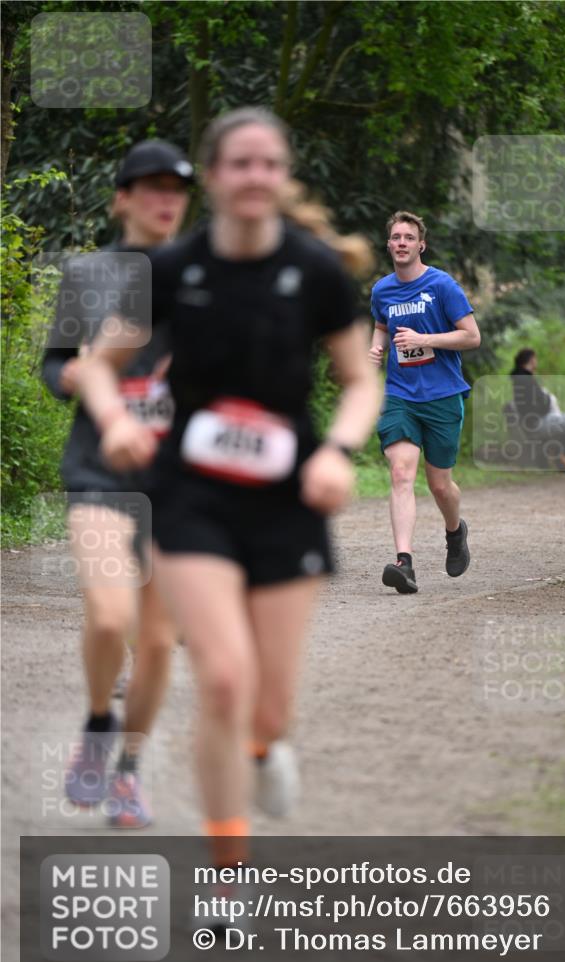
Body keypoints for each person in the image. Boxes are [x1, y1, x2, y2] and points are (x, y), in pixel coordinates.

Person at [75, 107, 381, 883]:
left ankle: (263, 743)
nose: (254, 176)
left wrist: (339, 451)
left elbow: (358, 381)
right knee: (220, 678)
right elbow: (96, 366)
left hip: (287, 500)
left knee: (268, 708)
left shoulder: (316, 271)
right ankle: (227, 879)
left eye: (268, 164)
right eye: (239, 163)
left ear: (283, 177)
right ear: (213, 177)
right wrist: (115, 421)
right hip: (191, 499)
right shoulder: (175, 268)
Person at [41, 140, 194, 826]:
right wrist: (73, 375)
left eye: (177, 189)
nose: (166, 199)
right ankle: (99, 721)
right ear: (122, 200)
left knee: (158, 641)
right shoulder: (87, 273)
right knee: (109, 615)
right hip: (99, 467)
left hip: (177, 477)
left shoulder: (201, 275)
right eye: (152, 187)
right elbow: (54, 363)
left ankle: (128, 773)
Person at [368, 211, 480, 595]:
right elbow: (381, 325)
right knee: (401, 472)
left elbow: (472, 337)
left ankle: (455, 532)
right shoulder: (382, 290)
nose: (401, 242)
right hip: (400, 395)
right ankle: (405, 563)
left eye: (408, 237)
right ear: (389, 245)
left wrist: (425, 339)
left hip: (442, 395)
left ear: (421, 245)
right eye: (396, 237)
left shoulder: (442, 285)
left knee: (440, 485)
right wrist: (376, 348)